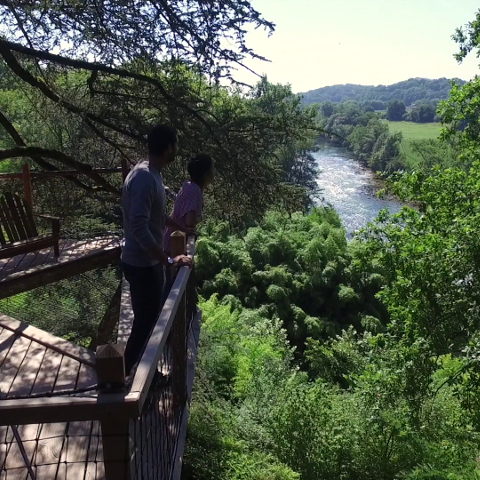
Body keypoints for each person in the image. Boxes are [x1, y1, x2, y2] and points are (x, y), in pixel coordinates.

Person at [121, 124, 192, 375]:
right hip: (142, 265)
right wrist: (168, 259)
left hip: (147, 264)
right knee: (145, 325)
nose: (177, 150)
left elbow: (151, 216)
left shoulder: (150, 173)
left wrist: (174, 223)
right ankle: (124, 378)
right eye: (176, 145)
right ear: (169, 147)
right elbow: (139, 227)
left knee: (150, 322)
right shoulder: (143, 178)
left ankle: (135, 375)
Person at [164, 153, 214, 254]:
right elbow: (189, 221)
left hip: (170, 239)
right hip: (175, 246)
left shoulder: (188, 185)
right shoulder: (194, 191)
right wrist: (200, 218)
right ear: (206, 174)